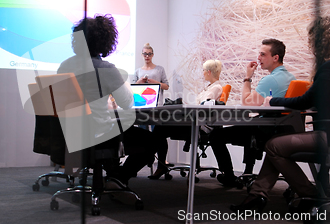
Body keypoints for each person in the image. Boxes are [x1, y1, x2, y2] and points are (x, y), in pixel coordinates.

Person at [230, 16, 330, 212]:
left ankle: (312, 195)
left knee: (274, 146)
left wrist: (272, 101)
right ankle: (257, 195)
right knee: (278, 143)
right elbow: (314, 101)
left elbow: (305, 101)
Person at [57, 14, 157, 199]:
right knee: (153, 141)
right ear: (105, 41)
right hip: (100, 135)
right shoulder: (106, 69)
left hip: (70, 134)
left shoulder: (64, 66)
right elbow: (127, 103)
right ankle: (118, 177)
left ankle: (112, 174)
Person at [208, 38, 296, 186]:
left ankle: (229, 176)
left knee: (216, 135)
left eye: (262, 54)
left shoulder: (271, 79)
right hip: (280, 129)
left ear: (275, 57)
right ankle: (247, 172)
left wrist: (248, 77)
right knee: (247, 126)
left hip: (266, 131)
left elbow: (247, 103)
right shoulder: (290, 77)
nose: (258, 58)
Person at [149, 59, 223, 179]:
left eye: (204, 70)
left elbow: (204, 106)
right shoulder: (209, 87)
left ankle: (158, 163)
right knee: (160, 127)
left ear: (209, 72)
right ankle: (161, 164)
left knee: (160, 129)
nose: (202, 73)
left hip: (201, 125)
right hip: (194, 121)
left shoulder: (216, 88)